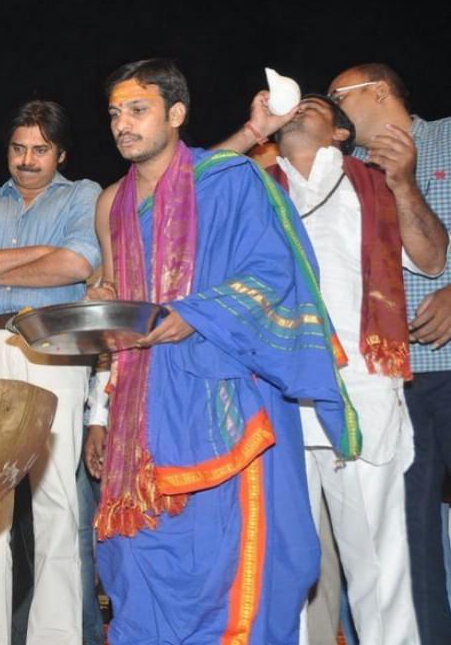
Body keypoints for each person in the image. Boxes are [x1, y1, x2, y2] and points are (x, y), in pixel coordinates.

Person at [83, 58, 358, 644]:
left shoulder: (231, 180)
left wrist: (196, 314)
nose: (122, 124)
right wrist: (98, 406)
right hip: (139, 412)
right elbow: (115, 294)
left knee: (227, 566)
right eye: (114, 113)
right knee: (137, 563)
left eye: (138, 110)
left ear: (176, 114)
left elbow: (273, 274)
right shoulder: (112, 203)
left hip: (222, 394)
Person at [235, 91, 447, 643]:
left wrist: (404, 184)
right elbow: (178, 194)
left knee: (378, 563)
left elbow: (431, 260)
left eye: (315, 104)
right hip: (278, 398)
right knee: (286, 565)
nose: (301, 106)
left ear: (340, 132)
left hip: (361, 390)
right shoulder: (253, 188)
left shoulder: (374, 183)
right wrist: (250, 133)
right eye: (295, 103)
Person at [0, 100, 101, 645]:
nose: (27, 160)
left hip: (54, 345)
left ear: (61, 153)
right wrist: (41, 254)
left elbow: (77, 264)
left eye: (40, 150)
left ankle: (55, 636)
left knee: (57, 500)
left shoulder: (83, 195)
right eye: (18, 148)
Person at [328, 64, 451, 645]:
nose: (331, 107)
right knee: (407, 537)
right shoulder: (343, 172)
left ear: (378, 92)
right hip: (392, 381)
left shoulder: (446, 138)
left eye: (338, 96)